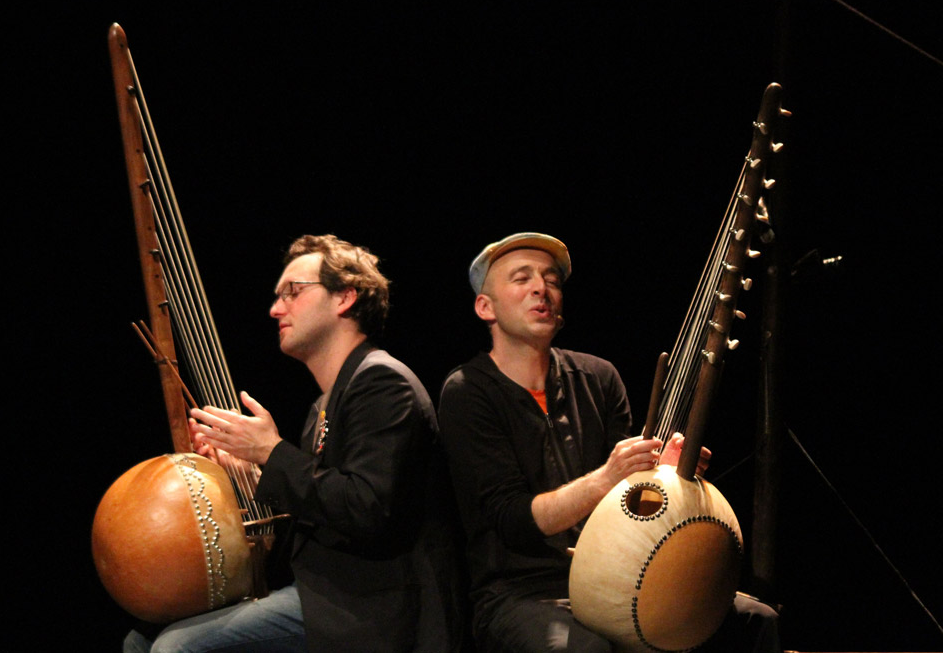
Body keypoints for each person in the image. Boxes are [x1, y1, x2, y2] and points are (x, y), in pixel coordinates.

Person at [437, 232, 780, 652]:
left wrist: (664, 473)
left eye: (551, 280)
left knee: (755, 620)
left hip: (618, 580)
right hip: (521, 593)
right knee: (588, 649)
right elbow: (512, 520)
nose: (541, 288)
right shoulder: (467, 391)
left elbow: (630, 502)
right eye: (521, 278)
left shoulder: (598, 377)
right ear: (485, 307)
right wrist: (607, 477)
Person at [125, 234, 463, 653]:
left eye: (293, 292)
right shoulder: (324, 404)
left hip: (373, 608)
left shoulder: (383, 383)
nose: (275, 308)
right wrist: (251, 473)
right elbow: (320, 512)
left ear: (345, 298)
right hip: (329, 593)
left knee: (175, 647)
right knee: (140, 639)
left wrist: (271, 452)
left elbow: (367, 509)